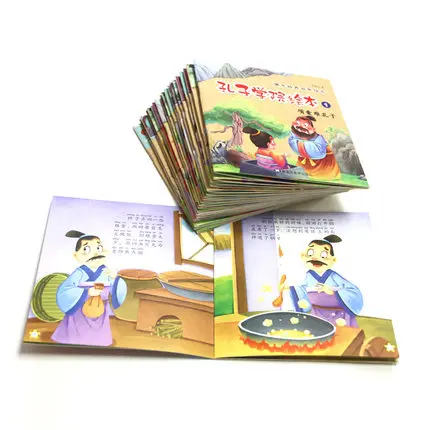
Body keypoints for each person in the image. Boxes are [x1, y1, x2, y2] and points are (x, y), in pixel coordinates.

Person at [51, 230, 127, 346]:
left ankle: (100, 341)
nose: (95, 253)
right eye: (86, 249)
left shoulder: (106, 271)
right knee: (78, 331)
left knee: (99, 331)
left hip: (100, 307)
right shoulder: (79, 273)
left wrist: (114, 278)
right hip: (80, 309)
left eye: (99, 248)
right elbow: (66, 290)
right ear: (76, 255)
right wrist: (87, 292)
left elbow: (116, 288)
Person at [281, 234, 363, 327]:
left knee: (340, 332)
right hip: (316, 312)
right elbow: (302, 290)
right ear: (303, 256)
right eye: (310, 253)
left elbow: (352, 291)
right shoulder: (309, 275)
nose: (316, 258)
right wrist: (290, 288)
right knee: (317, 330)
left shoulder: (334, 277)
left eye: (323, 255)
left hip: (338, 315)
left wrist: (332, 291)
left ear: (333, 260)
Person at [288, 116, 341, 180]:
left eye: (305, 125)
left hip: (322, 163)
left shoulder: (319, 139)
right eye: (298, 124)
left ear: (313, 128)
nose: (301, 128)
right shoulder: (294, 136)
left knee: (323, 176)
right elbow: (293, 143)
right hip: (305, 162)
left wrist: (302, 143)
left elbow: (319, 153)